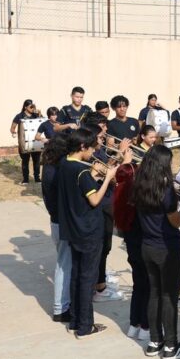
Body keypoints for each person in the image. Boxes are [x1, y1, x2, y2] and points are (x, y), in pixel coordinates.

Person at [133, 145, 180, 359]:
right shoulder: (165, 190)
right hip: (166, 248)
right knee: (169, 297)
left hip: (147, 246)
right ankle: (170, 345)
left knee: (154, 293)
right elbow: (174, 221)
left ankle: (154, 341)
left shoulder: (140, 183)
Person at [56, 129, 118, 338]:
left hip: (73, 228)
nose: (93, 152)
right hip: (88, 229)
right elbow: (94, 200)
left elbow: (78, 189)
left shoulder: (65, 163)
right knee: (87, 278)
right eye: (91, 148)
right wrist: (107, 177)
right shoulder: (81, 171)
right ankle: (85, 326)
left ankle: (75, 319)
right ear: (82, 147)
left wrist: (92, 175)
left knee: (76, 274)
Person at [110, 138, 149, 346]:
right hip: (142, 240)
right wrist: (125, 159)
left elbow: (123, 172)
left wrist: (124, 159)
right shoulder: (132, 189)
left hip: (131, 239)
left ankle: (134, 324)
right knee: (147, 284)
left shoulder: (121, 188)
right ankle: (145, 326)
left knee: (138, 284)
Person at [82, 114, 124, 303]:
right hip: (101, 203)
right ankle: (99, 287)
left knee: (105, 247)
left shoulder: (99, 152)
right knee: (101, 245)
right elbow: (103, 174)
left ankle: (101, 279)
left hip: (107, 200)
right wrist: (119, 155)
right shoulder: (91, 156)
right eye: (100, 134)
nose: (104, 135)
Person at [41, 131, 72, 323]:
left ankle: (63, 305)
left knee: (64, 264)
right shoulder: (59, 169)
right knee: (64, 265)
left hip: (56, 220)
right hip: (63, 222)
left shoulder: (50, 165)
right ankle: (61, 308)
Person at [11, 99, 42, 184]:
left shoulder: (36, 115)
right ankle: (25, 179)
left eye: (34, 106)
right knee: (25, 161)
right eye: (31, 107)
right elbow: (12, 128)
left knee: (37, 161)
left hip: (35, 142)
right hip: (24, 143)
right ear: (25, 107)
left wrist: (39, 114)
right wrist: (13, 132)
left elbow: (42, 124)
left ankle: (37, 178)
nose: (33, 108)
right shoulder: (19, 116)